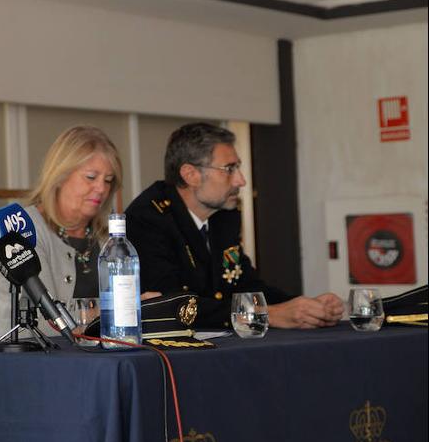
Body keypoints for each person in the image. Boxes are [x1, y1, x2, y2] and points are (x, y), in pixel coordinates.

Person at [126, 122, 344, 330]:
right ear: (190, 174)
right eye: (229, 169)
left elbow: (245, 286)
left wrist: (304, 307)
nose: (241, 181)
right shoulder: (147, 219)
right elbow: (172, 304)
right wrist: (270, 314)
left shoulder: (223, 215)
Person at [0, 126, 126, 336]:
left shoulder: (107, 235)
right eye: (91, 177)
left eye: (108, 181)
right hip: (33, 357)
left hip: (92, 355)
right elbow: (47, 322)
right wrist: (120, 310)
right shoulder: (23, 227)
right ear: (60, 175)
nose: (101, 188)